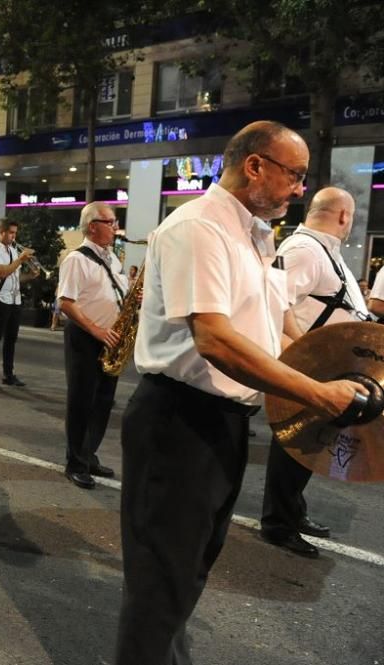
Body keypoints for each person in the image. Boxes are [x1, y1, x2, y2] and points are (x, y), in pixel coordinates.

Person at [115, 121, 365, 665]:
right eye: (294, 175)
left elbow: (272, 326)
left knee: (190, 570)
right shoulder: (200, 228)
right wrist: (318, 397)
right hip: (177, 422)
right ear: (255, 165)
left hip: (221, 422)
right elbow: (218, 342)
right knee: (162, 582)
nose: (299, 189)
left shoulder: (255, 235)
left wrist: (337, 366)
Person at [260, 186, 367, 558]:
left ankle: (292, 512)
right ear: (342, 216)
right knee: (295, 446)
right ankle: (278, 524)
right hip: (309, 368)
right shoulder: (305, 250)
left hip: (323, 368)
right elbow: (274, 305)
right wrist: (304, 355)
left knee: (308, 448)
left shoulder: (322, 250)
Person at [56, 202, 128, 489]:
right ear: (92, 226)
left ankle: (89, 454)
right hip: (85, 338)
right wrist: (97, 330)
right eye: (110, 222)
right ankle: (75, 461)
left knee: (104, 402)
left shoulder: (113, 259)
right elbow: (66, 303)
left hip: (110, 339)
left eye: (115, 221)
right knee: (82, 402)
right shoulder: (77, 259)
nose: (115, 227)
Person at [0, 219, 35, 389]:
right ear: (2, 232)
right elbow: (2, 272)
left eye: (15, 233)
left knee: (11, 339)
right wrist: (21, 259)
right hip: (0, 299)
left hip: (14, 300)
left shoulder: (11, 250)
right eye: (11, 233)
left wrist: (31, 275)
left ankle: (8, 375)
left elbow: (14, 277)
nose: (14, 236)